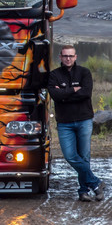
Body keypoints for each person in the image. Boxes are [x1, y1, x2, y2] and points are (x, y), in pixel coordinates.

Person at [48, 45, 105, 202]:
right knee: (70, 156)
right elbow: (56, 96)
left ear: (76, 57)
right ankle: (96, 183)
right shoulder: (54, 75)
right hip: (64, 123)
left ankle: (83, 191)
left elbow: (85, 93)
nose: (68, 58)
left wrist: (65, 93)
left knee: (84, 156)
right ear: (60, 57)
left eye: (71, 56)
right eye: (65, 56)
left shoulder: (84, 73)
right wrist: (74, 91)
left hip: (84, 120)